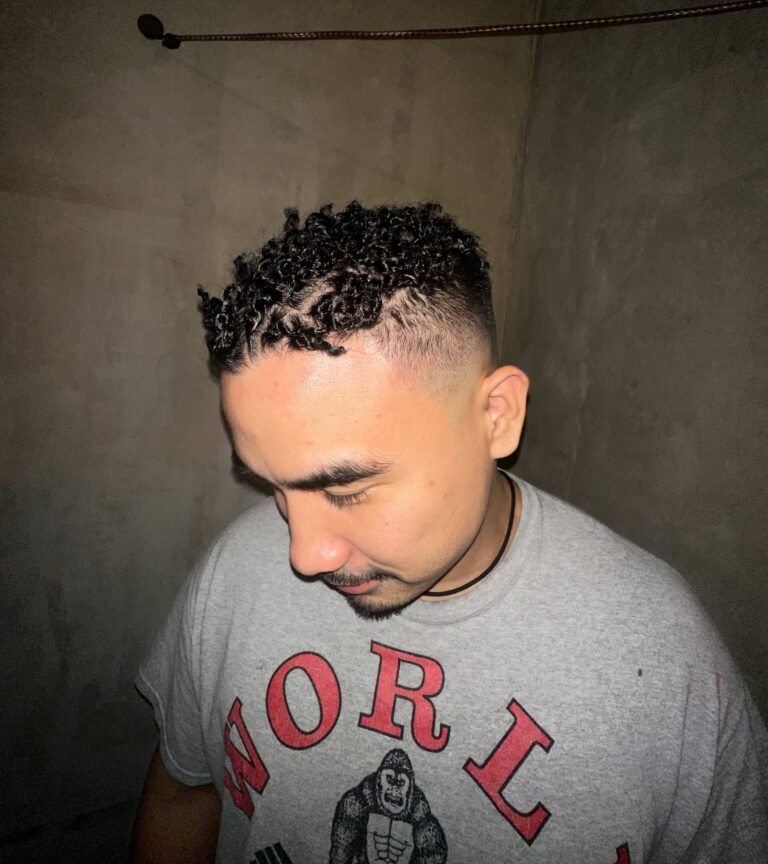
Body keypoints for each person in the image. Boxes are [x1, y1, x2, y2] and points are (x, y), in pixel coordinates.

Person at [132, 201, 768, 864]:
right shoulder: (233, 573)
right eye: (274, 487)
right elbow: (185, 795)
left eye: (347, 490)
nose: (303, 554)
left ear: (497, 415)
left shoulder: (663, 659)